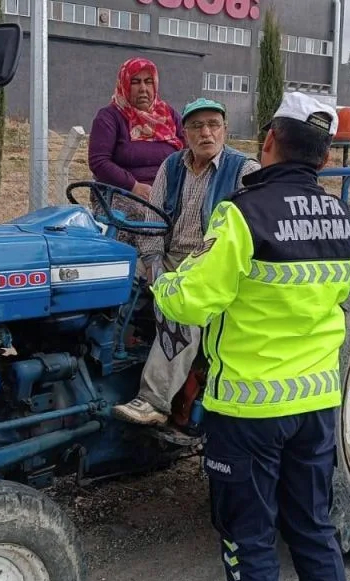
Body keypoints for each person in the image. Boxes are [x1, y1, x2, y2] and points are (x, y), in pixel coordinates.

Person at [151, 93, 350, 581]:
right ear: (324, 154)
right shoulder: (346, 223)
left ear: (269, 142)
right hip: (315, 404)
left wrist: (162, 284)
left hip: (248, 411)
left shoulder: (242, 217)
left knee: (248, 536)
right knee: (313, 528)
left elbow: (193, 301)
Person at [112, 97, 260, 427]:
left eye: (213, 125)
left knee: (183, 305)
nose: (205, 133)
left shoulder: (244, 170)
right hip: (167, 255)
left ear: (225, 130)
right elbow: (153, 219)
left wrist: (189, 272)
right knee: (112, 277)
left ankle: (154, 401)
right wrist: (152, 262)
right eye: (196, 126)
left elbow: (242, 233)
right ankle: (109, 360)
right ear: (185, 133)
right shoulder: (172, 166)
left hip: (211, 262)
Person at [88, 58, 185, 261]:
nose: (143, 88)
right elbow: (99, 162)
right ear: (124, 84)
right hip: (121, 192)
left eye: (148, 82)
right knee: (141, 219)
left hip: (166, 192)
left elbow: (188, 154)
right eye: (135, 82)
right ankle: (135, 276)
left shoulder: (169, 116)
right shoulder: (110, 117)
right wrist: (135, 187)